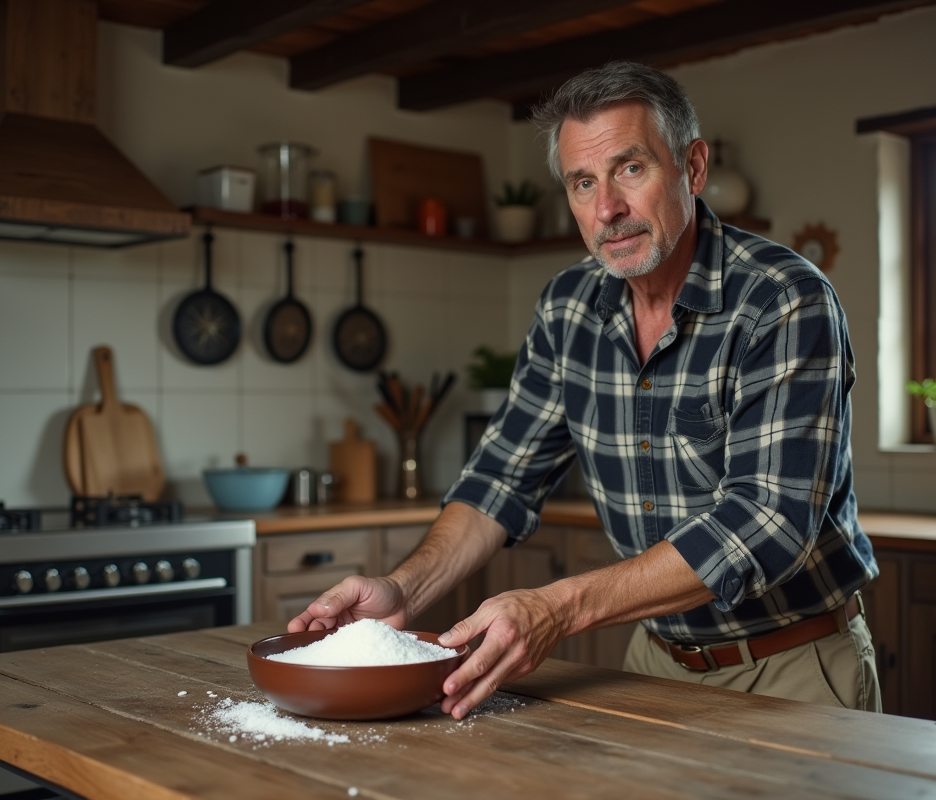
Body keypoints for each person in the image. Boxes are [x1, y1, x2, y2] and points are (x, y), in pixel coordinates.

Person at [290, 60, 880, 719]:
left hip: (792, 667)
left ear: (692, 167)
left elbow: (767, 523)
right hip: (655, 664)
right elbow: (499, 481)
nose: (608, 209)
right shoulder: (568, 306)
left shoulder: (783, 299)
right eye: (582, 182)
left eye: (631, 169)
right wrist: (403, 588)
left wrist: (558, 606)